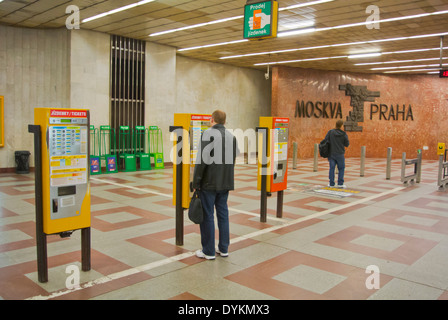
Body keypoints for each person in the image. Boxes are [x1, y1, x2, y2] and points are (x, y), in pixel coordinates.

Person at [192, 110, 239, 260]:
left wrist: (196, 181)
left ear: (211, 120)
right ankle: (223, 248)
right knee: (223, 214)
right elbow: (233, 160)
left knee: (207, 215)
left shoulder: (207, 135)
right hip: (225, 182)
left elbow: (202, 160)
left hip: (209, 182)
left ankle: (208, 251)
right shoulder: (232, 137)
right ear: (224, 122)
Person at [323, 119, 349, 188]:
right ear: (341, 126)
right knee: (341, 168)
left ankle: (331, 183)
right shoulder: (344, 134)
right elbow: (347, 144)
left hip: (331, 153)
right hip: (340, 154)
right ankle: (340, 183)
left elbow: (325, 140)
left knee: (332, 168)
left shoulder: (330, 132)